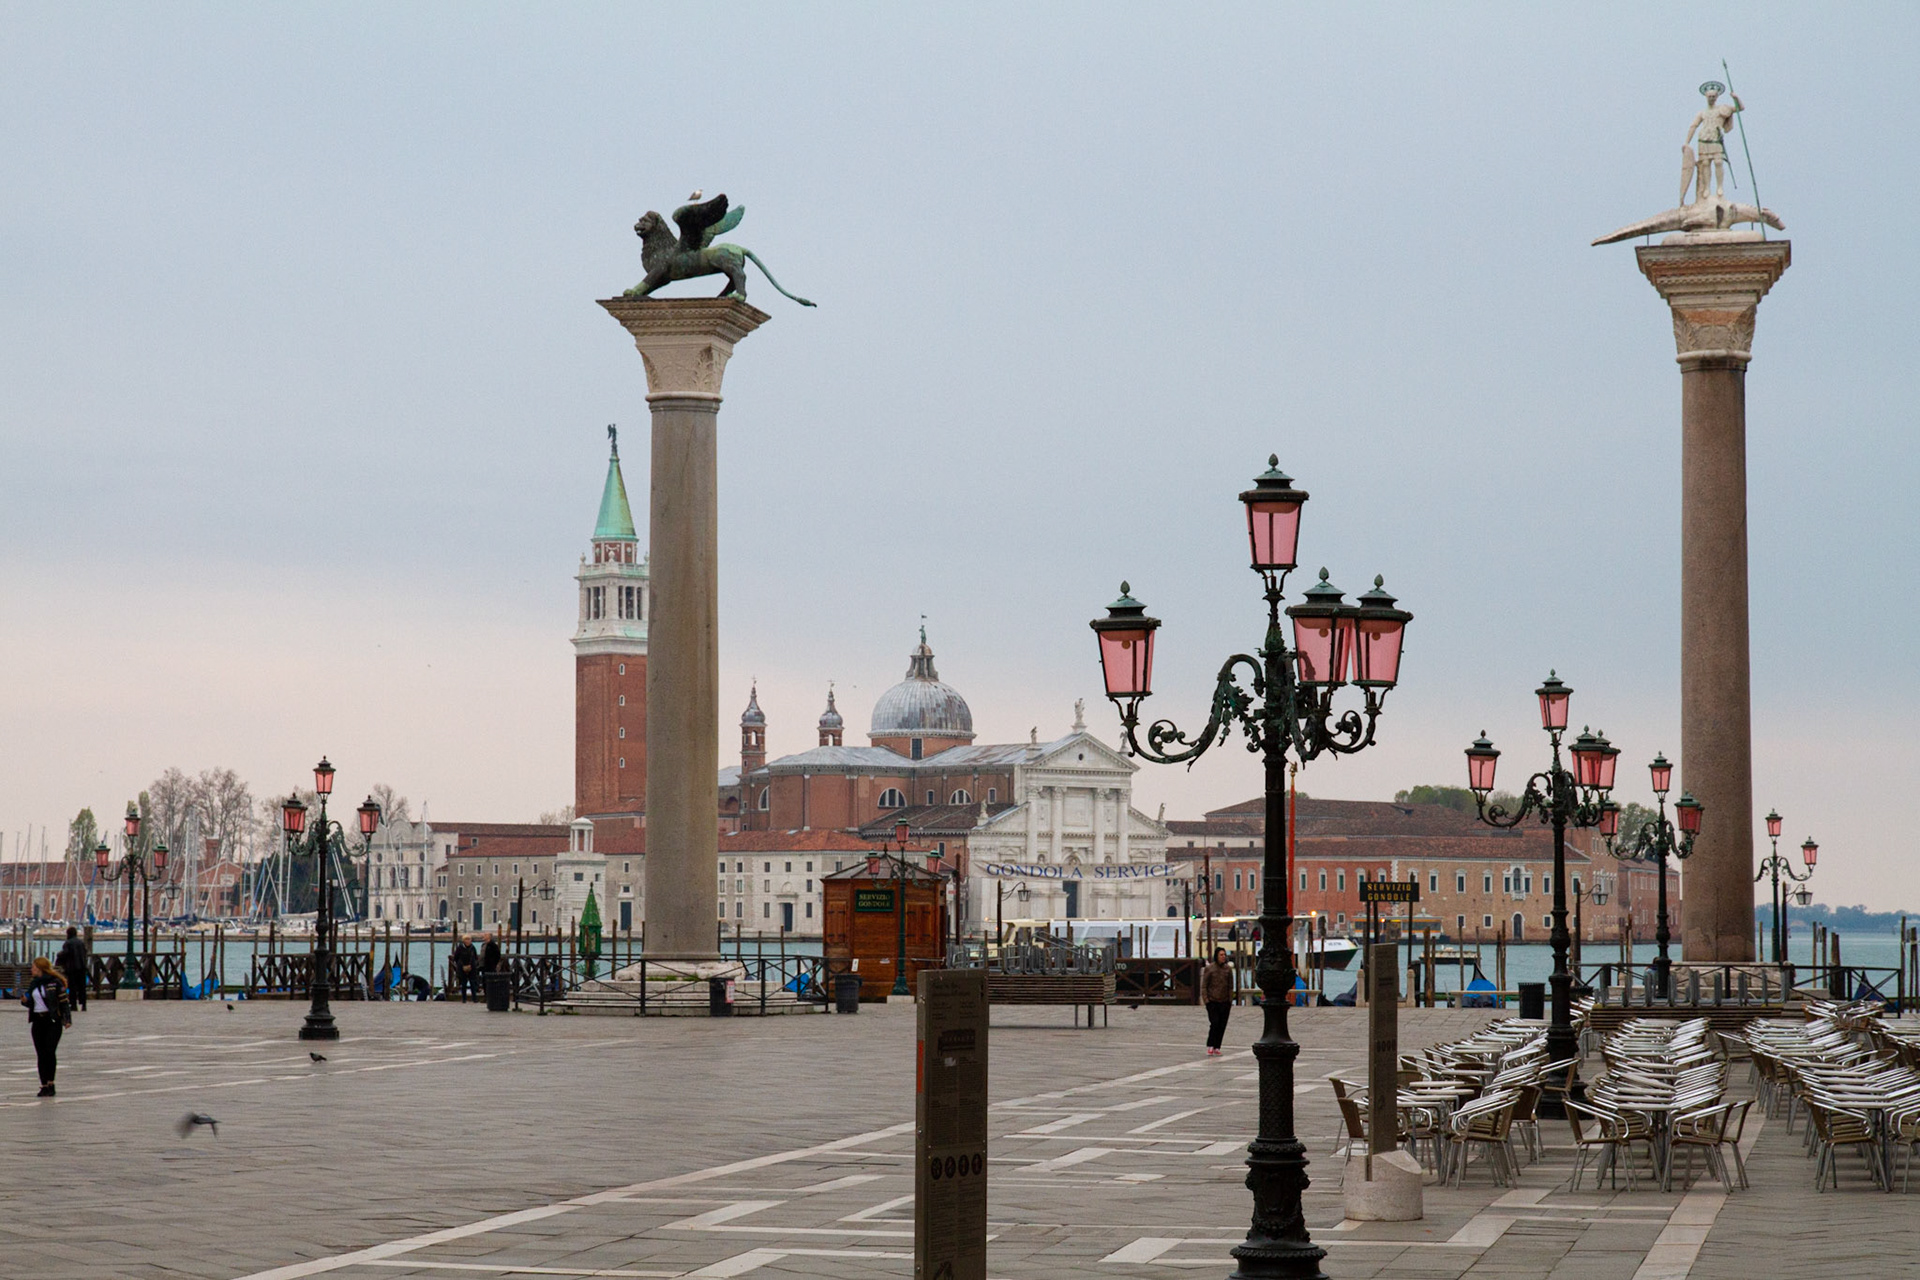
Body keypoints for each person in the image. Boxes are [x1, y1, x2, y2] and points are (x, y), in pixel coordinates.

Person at [22, 957, 72, 1097]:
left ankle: (51, 1083)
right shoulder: (33, 984)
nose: (31, 970)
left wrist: (67, 1019)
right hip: (38, 1021)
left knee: (49, 1051)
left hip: (52, 1020)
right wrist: (25, 1001)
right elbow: (31, 1003)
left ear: (40, 968)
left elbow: (63, 1002)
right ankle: (43, 1084)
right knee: (41, 1053)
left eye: (33, 967)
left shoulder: (55, 983)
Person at [1202, 947, 1235, 1057]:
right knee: (1214, 1023)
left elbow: (1231, 986)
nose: (1223, 957)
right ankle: (1210, 1045)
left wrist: (1230, 1000)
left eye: (1224, 955)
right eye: (1221, 955)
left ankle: (1217, 1046)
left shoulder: (1228, 969)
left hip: (1225, 1001)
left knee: (1222, 1025)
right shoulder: (1209, 969)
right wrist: (1206, 1001)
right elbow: (1204, 985)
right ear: (1216, 956)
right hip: (1212, 1001)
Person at [55, 927, 88, 1013]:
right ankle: (84, 1004)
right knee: (82, 987)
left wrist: (59, 955)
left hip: (72, 968)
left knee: (72, 987)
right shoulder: (81, 942)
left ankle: (73, 1005)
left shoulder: (68, 943)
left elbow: (65, 953)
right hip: (82, 967)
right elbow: (85, 953)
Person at [450, 937, 480, 1002]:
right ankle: (464, 998)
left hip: (471, 967)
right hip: (462, 967)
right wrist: (460, 964)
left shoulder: (472, 947)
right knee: (463, 983)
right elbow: (456, 957)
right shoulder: (460, 948)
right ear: (463, 940)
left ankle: (474, 998)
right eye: (466, 939)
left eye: (469, 939)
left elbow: (475, 957)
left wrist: (473, 964)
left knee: (473, 982)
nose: (468, 941)